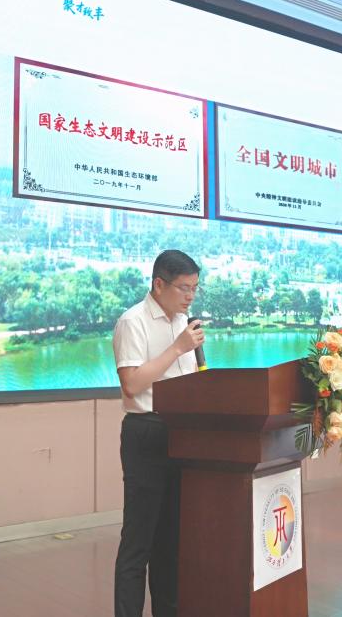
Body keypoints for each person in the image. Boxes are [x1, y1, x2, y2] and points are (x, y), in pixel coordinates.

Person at [112, 249, 204, 617]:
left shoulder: (184, 322)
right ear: (159, 284)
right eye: (184, 288)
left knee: (171, 543)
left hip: (182, 434)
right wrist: (178, 347)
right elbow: (132, 383)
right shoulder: (132, 322)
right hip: (146, 433)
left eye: (195, 288)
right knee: (139, 543)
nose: (190, 296)